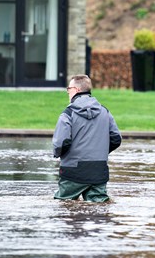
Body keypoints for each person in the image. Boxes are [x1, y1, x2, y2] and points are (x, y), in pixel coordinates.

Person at [52, 74, 122, 202]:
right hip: (99, 170)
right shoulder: (104, 111)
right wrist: (100, 151)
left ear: (76, 90)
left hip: (73, 171)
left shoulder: (68, 113)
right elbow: (116, 138)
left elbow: (61, 143)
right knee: (99, 210)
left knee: (63, 206)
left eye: (69, 89)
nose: (68, 92)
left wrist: (58, 155)